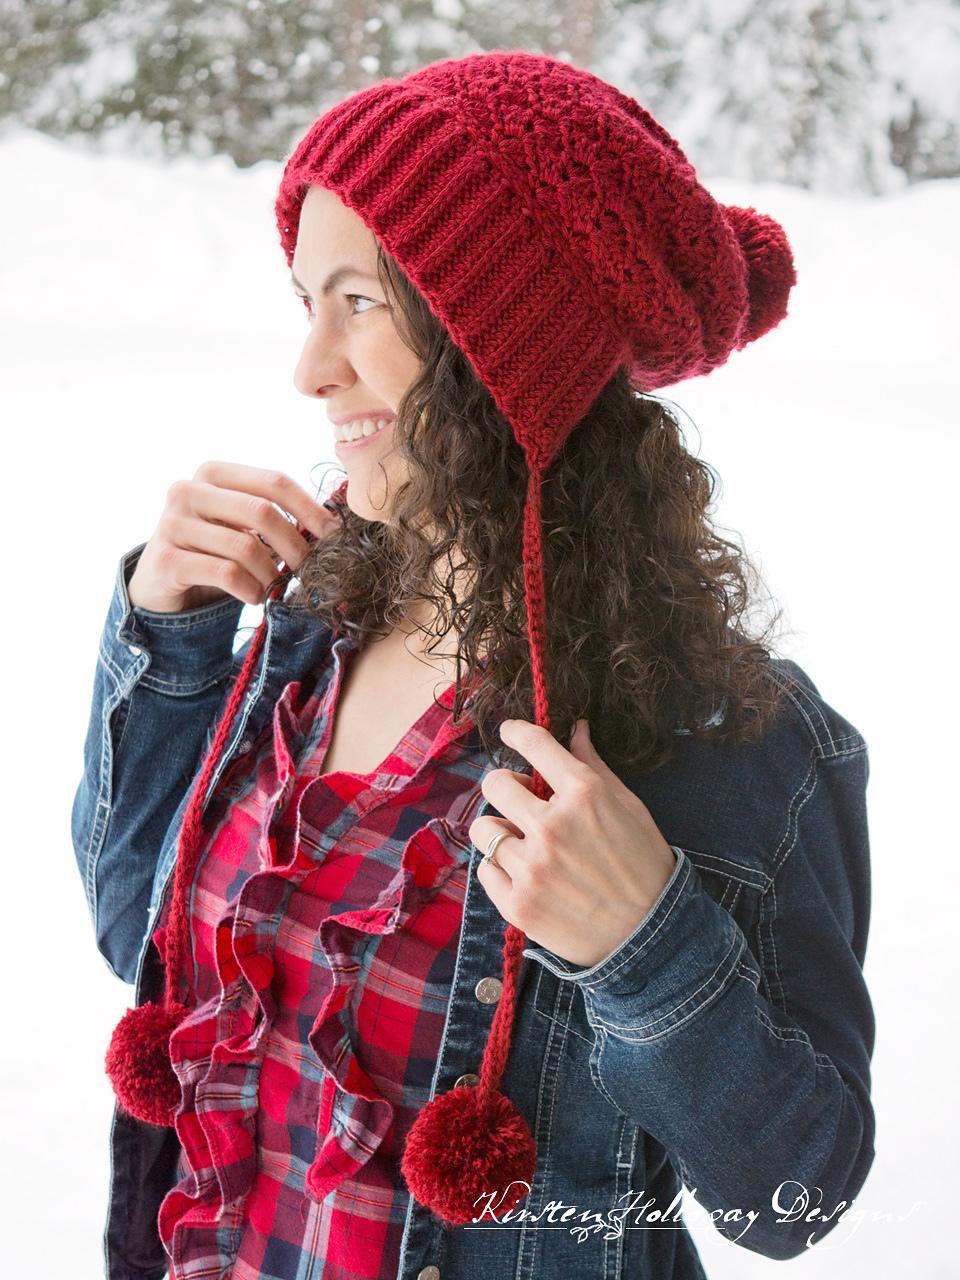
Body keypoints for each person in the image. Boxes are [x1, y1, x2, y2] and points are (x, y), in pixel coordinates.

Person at [72, 50, 876, 1280]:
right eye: (306, 300)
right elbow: (142, 933)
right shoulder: (305, 629)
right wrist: (164, 637)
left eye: (359, 301)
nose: (309, 368)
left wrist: (644, 945)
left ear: (506, 339)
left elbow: (794, 1198)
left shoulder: (724, 735)